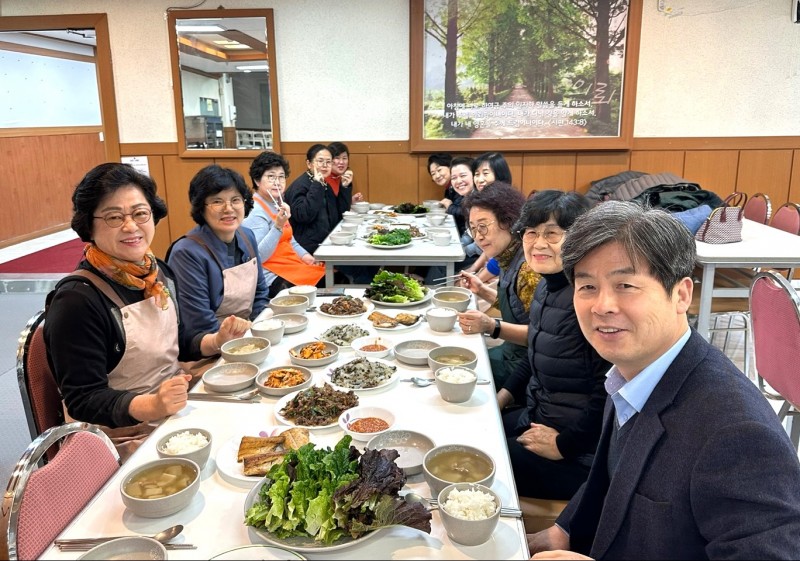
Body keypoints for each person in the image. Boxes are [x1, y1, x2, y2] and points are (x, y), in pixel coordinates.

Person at [528, 200, 800, 560]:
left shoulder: (736, 431)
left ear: (681, 294)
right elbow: (611, 480)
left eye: (625, 284)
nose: (602, 305)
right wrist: (561, 532)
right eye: (587, 287)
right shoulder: (629, 373)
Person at [43, 163, 245, 461]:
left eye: (140, 213)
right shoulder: (76, 301)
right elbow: (83, 399)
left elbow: (177, 341)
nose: (131, 226)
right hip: (120, 437)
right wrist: (152, 405)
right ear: (89, 224)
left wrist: (216, 340)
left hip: (172, 411)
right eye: (114, 217)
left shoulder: (156, 272)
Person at [499, 190, 609, 501]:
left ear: (580, 238)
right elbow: (535, 353)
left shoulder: (588, 299)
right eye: (531, 232)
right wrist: (502, 397)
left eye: (552, 234)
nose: (538, 243)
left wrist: (564, 446)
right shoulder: (548, 288)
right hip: (539, 414)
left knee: (479, 456)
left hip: (578, 456)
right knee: (473, 427)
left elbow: (611, 389)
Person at [166, 165, 269, 360]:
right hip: (210, 352)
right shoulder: (186, 253)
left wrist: (259, 332)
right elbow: (198, 326)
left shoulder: (247, 236)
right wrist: (236, 344)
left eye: (235, 200)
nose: (228, 208)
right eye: (217, 201)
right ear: (201, 208)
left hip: (250, 338)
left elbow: (261, 294)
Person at [456, 182, 539, 387]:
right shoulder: (507, 256)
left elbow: (542, 336)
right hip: (510, 353)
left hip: (526, 368)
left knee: (455, 369)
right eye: (473, 229)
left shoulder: (529, 270)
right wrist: (482, 290)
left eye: (483, 226)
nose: (478, 236)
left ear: (508, 221)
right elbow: (517, 308)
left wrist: (491, 326)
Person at [243, 151, 325, 297]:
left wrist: (306, 256)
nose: (277, 182)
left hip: (289, 264)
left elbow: (290, 241)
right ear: (257, 180)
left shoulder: (278, 203)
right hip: (271, 276)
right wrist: (278, 226)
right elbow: (258, 256)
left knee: (329, 274)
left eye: (281, 177)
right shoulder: (255, 211)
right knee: (325, 284)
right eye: (271, 176)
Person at [284, 144, 338, 255]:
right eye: (320, 161)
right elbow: (303, 215)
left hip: (326, 241)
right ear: (309, 164)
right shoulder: (301, 185)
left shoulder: (322, 182)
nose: (325, 165)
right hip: (307, 248)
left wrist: (345, 188)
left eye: (328, 162)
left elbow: (337, 213)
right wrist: (317, 185)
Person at [328, 141, 363, 206]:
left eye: (344, 158)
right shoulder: (323, 180)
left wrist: (351, 201)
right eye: (337, 158)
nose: (341, 162)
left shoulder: (343, 178)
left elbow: (340, 206)